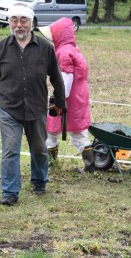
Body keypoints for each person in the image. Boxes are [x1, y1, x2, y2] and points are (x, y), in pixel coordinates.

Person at [0, 3, 66, 206]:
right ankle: (9, 192)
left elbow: (56, 77)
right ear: (9, 22)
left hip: (37, 108)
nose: (19, 25)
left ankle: (39, 182)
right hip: (9, 108)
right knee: (10, 150)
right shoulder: (1, 48)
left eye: (23, 20)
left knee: (39, 149)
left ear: (31, 22)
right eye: (14, 20)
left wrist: (60, 103)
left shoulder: (46, 48)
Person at [38, 18, 94, 173]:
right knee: (78, 132)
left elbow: (66, 78)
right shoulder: (72, 49)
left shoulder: (63, 52)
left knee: (51, 130)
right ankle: (90, 165)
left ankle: (50, 164)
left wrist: (59, 100)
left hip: (68, 99)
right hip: (78, 98)